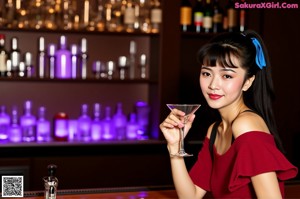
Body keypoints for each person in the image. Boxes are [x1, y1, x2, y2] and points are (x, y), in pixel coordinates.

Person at [159, 30, 298, 199]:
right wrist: (175, 146)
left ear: (248, 82)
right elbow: (191, 196)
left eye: (226, 75)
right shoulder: (215, 130)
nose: (213, 85)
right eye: (206, 73)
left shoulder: (246, 125)